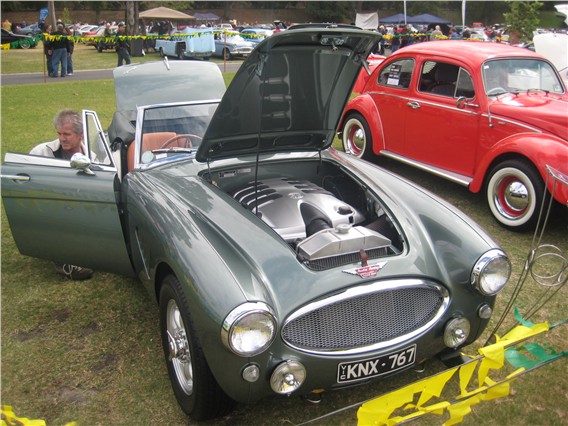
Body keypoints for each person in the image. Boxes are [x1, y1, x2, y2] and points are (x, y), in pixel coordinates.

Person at [30, 110, 95, 280]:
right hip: (49, 206)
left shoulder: (93, 158)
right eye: (59, 134)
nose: (62, 138)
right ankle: (65, 263)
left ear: (81, 135)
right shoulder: (41, 152)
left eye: (67, 134)